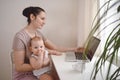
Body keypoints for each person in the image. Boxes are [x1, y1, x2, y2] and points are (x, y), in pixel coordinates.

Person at [12, 6, 82, 80]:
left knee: (60, 76)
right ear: (32, 17)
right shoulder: (20, 37)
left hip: (40, 71)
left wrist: (75, 49)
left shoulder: (39, 34)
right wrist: (42, 64)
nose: (44, 22)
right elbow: (19, 67)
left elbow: (55, 48)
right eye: (42, 19)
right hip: (26, 74)